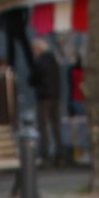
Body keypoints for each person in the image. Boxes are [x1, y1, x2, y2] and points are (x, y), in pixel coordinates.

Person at [30, 36, 64, 164]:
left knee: (43, 126)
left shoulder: (40, 62)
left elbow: (32, 79)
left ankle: (45, 154)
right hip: (55, 96)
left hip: (44, 98)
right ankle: (59, 153)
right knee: (56, 126)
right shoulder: (53, 61)